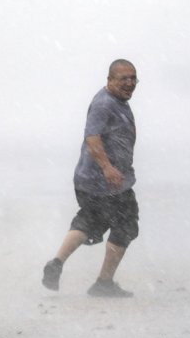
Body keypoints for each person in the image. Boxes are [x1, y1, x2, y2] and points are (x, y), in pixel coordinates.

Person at [42, 59, 140, 297]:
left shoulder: (115, 101)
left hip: (93, 181)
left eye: (133, 78)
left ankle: (56, 263)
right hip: (106, 182)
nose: (129, 83)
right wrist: (107, 168)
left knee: (91, 220)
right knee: (125, 225)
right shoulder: (104, 104)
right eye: (123, 79)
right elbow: (92, 138)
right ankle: (103, 283)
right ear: (109, 80)